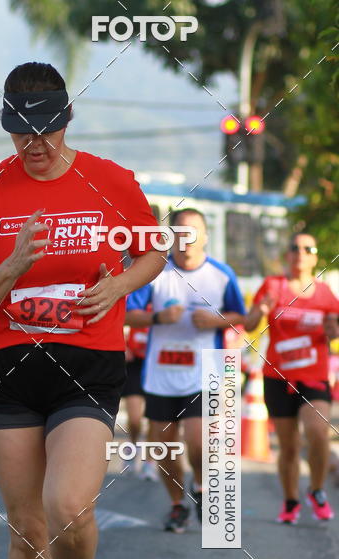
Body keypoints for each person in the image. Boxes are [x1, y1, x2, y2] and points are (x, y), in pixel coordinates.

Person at [0, 62, 165, 559]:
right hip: (9, 367)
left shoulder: (110, 180)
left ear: (67, 120)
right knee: (26, 525)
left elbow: (152, 249)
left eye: (46, 129)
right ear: (8, 128)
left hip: (85, 365)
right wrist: (14, 263)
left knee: (70, 508)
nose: (35, 144)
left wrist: (121, 284)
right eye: (22, 131)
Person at [126, 208, 245, 533]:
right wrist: (156, 319)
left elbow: (241, 315)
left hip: (204, 371)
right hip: (160, 373)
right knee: (163, 449)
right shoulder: (155, 272)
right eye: (180, 232)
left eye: (193, 232)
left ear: (205, 237)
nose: (186, 239)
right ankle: (178, 505)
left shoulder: (221, 274)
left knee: (198, 441)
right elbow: (127, 313)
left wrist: (217, 320)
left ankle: (203, 487)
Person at [244, 232, 339, 523]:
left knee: (318, 433)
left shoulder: (325, 293)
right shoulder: (273, 286)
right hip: (277, 378)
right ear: (287, 254)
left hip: (314, 378)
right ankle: (290, 501)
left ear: (315, 257)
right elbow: (249, 325)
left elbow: (334, 335)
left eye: (307, 248)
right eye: (294, 247)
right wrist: (260, 309)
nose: (300, 253)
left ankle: (317, 489)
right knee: (288, 447)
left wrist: (333, 327)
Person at [121, 299, 158, 479]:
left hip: (156, 365)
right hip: (134, 364)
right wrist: (123, 346)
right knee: (135, 418)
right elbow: (117, 322)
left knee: (153, 419)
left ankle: (149, 461)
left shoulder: (164, 300)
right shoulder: (133, 299)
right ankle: (132, 448)